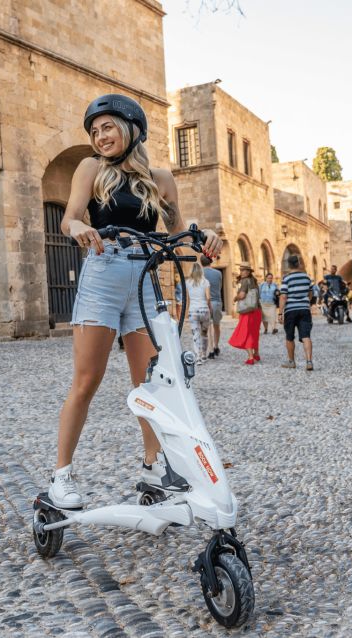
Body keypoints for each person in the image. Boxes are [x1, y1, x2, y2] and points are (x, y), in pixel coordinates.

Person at [48, 93, 221, 509]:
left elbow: (180, 232)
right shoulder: (91, 168)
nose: (100, 136)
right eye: (94, 130)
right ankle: (62, 475)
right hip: (103, 275)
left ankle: (152, 465)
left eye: (107, 126)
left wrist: (206, 239)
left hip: (146, 278)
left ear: (130, 128)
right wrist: (79, 229)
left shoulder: (160, 178)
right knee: (87, 380)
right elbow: (69, 215)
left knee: (150, 383)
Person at [279, 255, 314, 371]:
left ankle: (291, 362)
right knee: (306, 336)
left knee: (289, 336)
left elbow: (283, 296)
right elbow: (310, 293)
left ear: (288, 265)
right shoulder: (306, 277)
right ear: (298, 263)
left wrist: (280, 313)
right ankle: (309, 362)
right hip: (304, 309)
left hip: (290, 310)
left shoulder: (286, 279)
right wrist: (306, 302)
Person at [228, 263, 262, 364]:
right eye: (241, 270)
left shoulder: (245, 281)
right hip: (257, 311)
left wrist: (235, 298)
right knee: (254, 333)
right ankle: (256, 354)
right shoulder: (254, 281)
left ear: (248, 271)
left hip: (247, 312)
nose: (241, 272)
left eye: (243, 270)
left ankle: (250, 357)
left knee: (245, 333)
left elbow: (242, 295)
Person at [185, 262, 212, 363]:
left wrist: (188, 310)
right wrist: (210, 309)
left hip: (193, 311)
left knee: (195, 334)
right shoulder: (205, 282)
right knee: (204, 334)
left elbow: (187, 299)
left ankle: (198, 357)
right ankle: (204, 355)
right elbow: (208, 298)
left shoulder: (188, 282)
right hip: (204, 310)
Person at [201, 255, 223, 359]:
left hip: (205, 302)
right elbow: (220, 287)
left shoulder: (200, 273)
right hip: (217, 302)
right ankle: (216, 346)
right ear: (211, 261)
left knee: (207, 327)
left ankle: (210, 350)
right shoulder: (218, 273)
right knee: (216, 325)